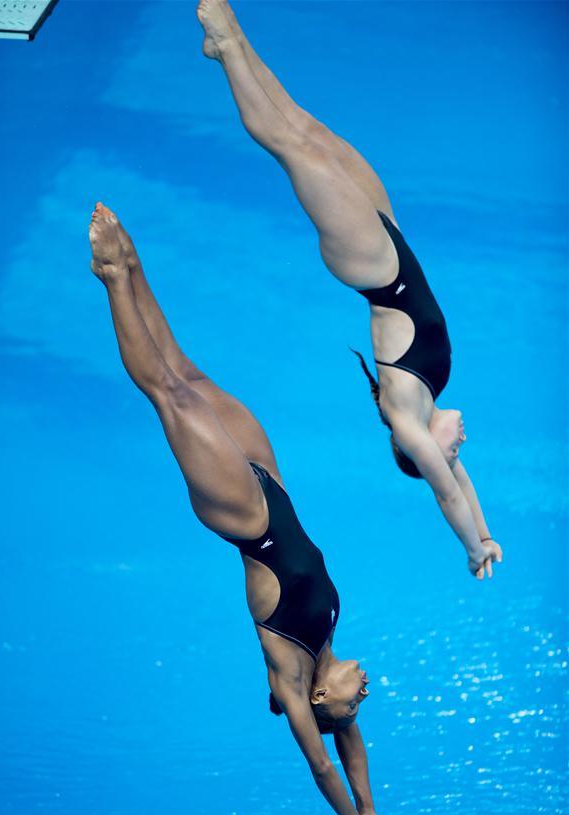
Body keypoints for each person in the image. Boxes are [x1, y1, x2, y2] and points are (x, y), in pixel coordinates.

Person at [88, 202, 389, 815]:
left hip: (245, 517)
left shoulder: (290, 667)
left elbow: (321, 759)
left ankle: (112, 276)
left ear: (317, 702)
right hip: (272, 485)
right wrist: (371, 804)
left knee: (170, 394)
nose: (364, 692)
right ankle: (137, 266)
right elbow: (353, 745)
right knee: (190, 372)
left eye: (355, 701)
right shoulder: (328, 646)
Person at [196, 0, 503, 580]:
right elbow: (462, 482)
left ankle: (227, 46)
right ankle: (229, 42)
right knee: (310, 132)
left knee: (291, 149)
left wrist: (469, 547)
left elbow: (446, 491)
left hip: (372, 264)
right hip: (390, 239)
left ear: (419, 450)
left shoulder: (407, 415)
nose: (460, 448)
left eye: (452, 453)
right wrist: (487, 532)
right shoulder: (427, 400)